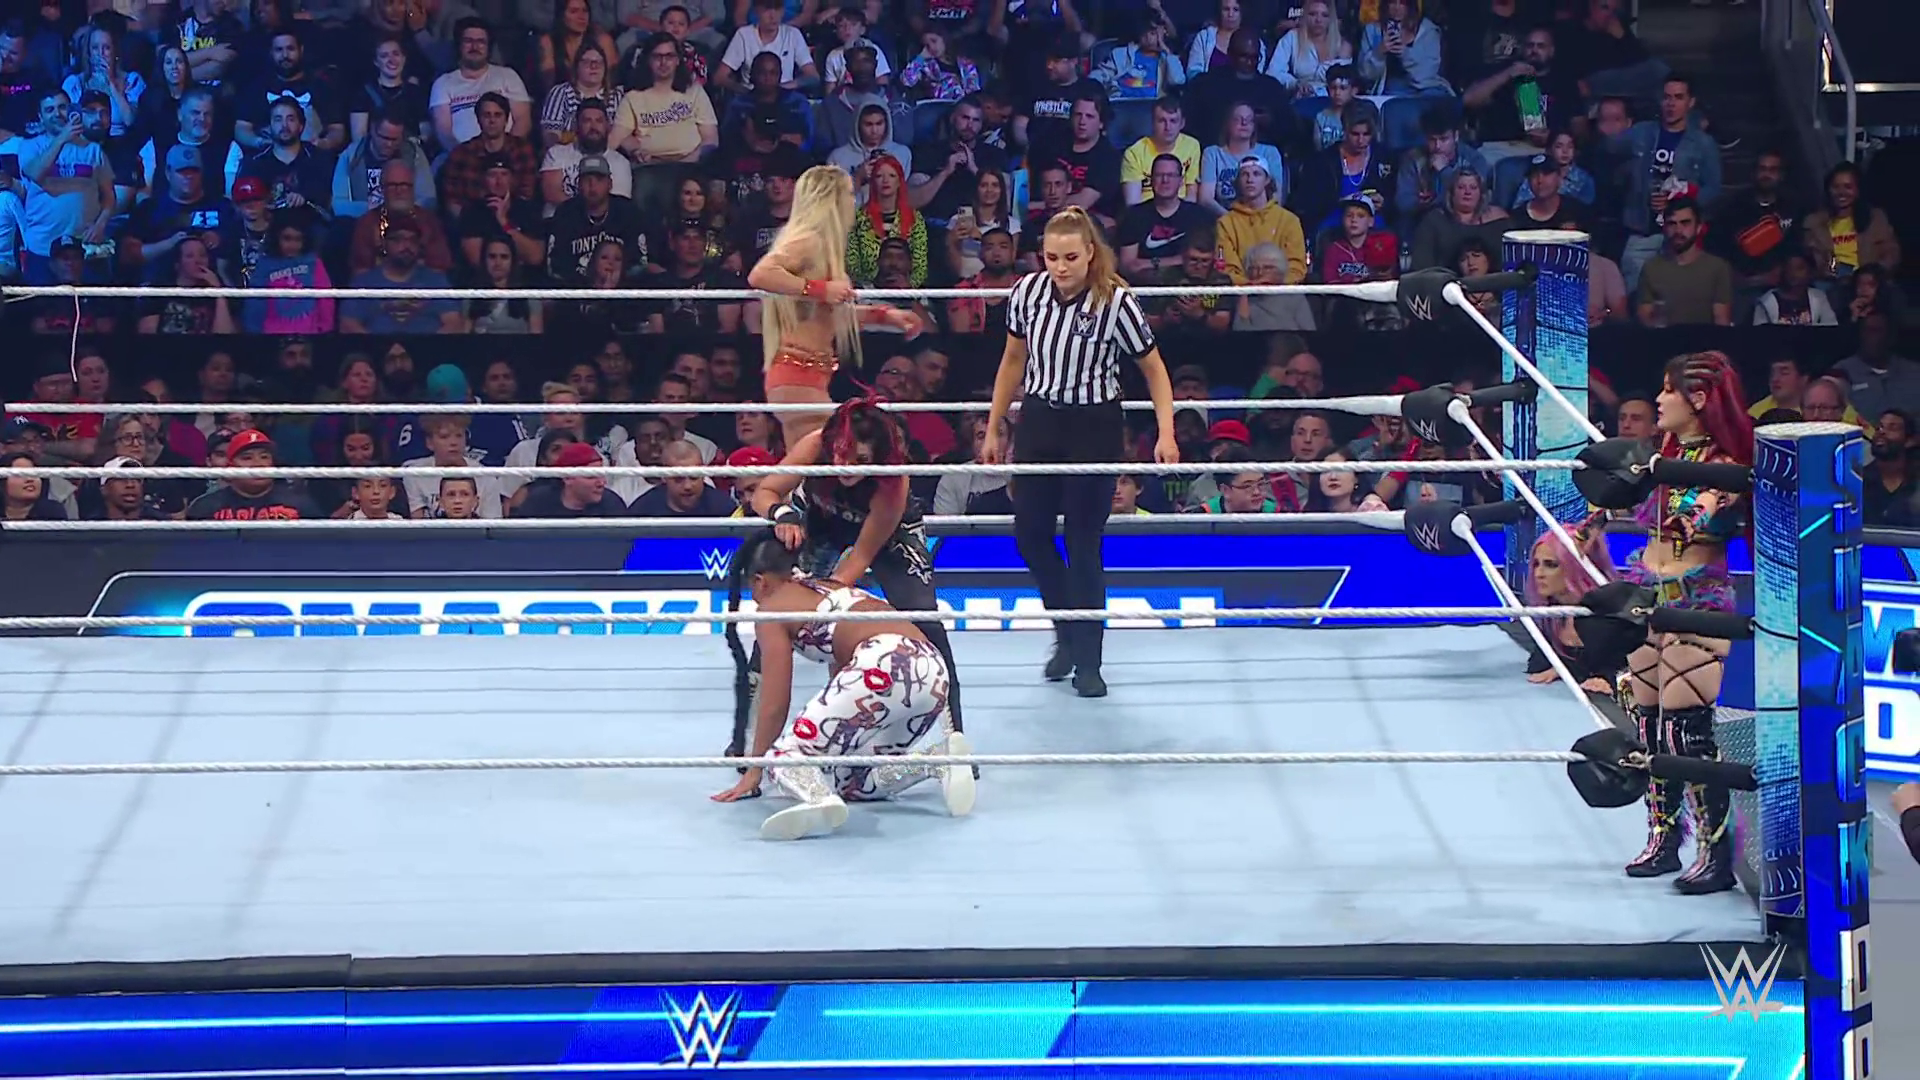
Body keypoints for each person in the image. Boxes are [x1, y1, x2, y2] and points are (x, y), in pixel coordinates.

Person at [983, 206, 1178, 697]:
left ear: (1090, 253)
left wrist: (1166, 432)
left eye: (1070, 257)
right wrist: (994, 427)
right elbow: (1012, 359)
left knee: (1083, 543)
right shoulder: (1027, 293)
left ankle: (1089, 662)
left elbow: (1154, 368)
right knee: (1030, 535)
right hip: (1039, 420)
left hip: (1094, 425)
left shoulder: (1116, 301)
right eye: (1052, 257)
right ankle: (1066, 632)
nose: (1061, 267)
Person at [710, 528, 975, 840]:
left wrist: (755, 770)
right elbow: (844, 671)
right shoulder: (830, 589)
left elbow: (775, 702)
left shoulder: (771, 609)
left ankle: (819, 800)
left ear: (760, 581)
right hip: (932, 674)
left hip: (886, 662)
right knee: (852, 779)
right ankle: (935, 760)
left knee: (783, 754)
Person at [740, 397, 966, 749]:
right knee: (777, 612)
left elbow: (859, 557)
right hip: (822, 521)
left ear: (878, 456)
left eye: (860, 460)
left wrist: (818, 595)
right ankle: (746, 735)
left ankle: (955, 738)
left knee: (925, 619)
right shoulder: (815, 444)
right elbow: (764, 492)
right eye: (841, 455)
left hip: (890, 535)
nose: (846, 467)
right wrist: (782, 514)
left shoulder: (893, 479)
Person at [1618, 351, 1752, 895]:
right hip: (1648, 592)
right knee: (1647, 724)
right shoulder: (1663, 455)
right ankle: (1663, 837)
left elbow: (1699, 512)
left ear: (1697, 399)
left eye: (1667, 390)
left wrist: (1684, 516)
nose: (1657, 400)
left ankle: (1715, 852)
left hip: (1698, 602)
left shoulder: (1725, 464)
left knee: (1684, 730)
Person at [745, 164, 921, 449]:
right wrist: (821, 289)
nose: (854, 201)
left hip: (807, 375)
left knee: (807, 463)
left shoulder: (825, 249)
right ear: (831, 200)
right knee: (842, 450)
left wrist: (885, 316)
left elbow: (828, 316)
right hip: (797, 375)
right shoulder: (809, 241)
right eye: (849, 194)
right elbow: (761, 275)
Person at [1521, 517, 1619, 693]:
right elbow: (1537, 666)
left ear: (1578, 567)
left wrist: (1609, 681)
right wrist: (1564, 670)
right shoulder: (1552, 613)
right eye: (1536, 564)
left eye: (1551, 565)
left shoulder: (1612, 614)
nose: (1539, 573)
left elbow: (1627, 671)